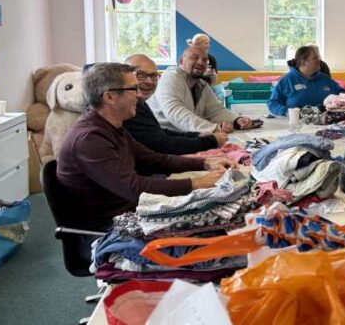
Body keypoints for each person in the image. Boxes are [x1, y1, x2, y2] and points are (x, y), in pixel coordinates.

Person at [56, 63, 233, 231]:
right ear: (109, 96)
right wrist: (197, 183)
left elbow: (155, 159)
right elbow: (134, 188)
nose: (139, 95)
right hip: (110, 227)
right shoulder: (89, 140)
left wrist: (205, 163)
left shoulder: (112, 127)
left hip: (129, 212)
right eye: (133, 89)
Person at [123, 54, 228, 155]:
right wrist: (209, 141)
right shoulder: (127, 106)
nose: (149, 81)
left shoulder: (140, 102)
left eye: (154, 76)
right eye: (141, 76)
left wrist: (197, 135)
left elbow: (159, 132)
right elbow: (162, 144)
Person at [149, 46, 253, 133]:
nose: (200, 62)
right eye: (195, 57)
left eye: (204, 60)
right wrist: (212, 128)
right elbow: (175, 111)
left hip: (185, 137)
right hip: (164, 138)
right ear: (181, 61)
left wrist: (237, 120)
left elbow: (216, 111)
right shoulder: (171, 77)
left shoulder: (201, 84)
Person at [267, 45, 345, 116]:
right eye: (315, 58)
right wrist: (287, 112)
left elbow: (343, 95)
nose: (319, 60)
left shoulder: (326, 80)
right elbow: (273, 103)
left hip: (325, 124)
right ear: (304, 61)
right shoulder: (287, 80)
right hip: (298, 126)